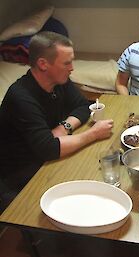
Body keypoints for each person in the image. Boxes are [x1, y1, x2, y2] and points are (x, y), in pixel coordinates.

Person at [0, 31, 113, 212]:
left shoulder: (59, 80)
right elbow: (48, 149)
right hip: (22, 173)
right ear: (43, 64)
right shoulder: (21, 97)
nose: (72, 68)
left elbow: (84, 106)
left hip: (47, 157)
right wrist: (93, 134)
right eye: (67, 63)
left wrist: (65, 126)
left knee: (99, 168)